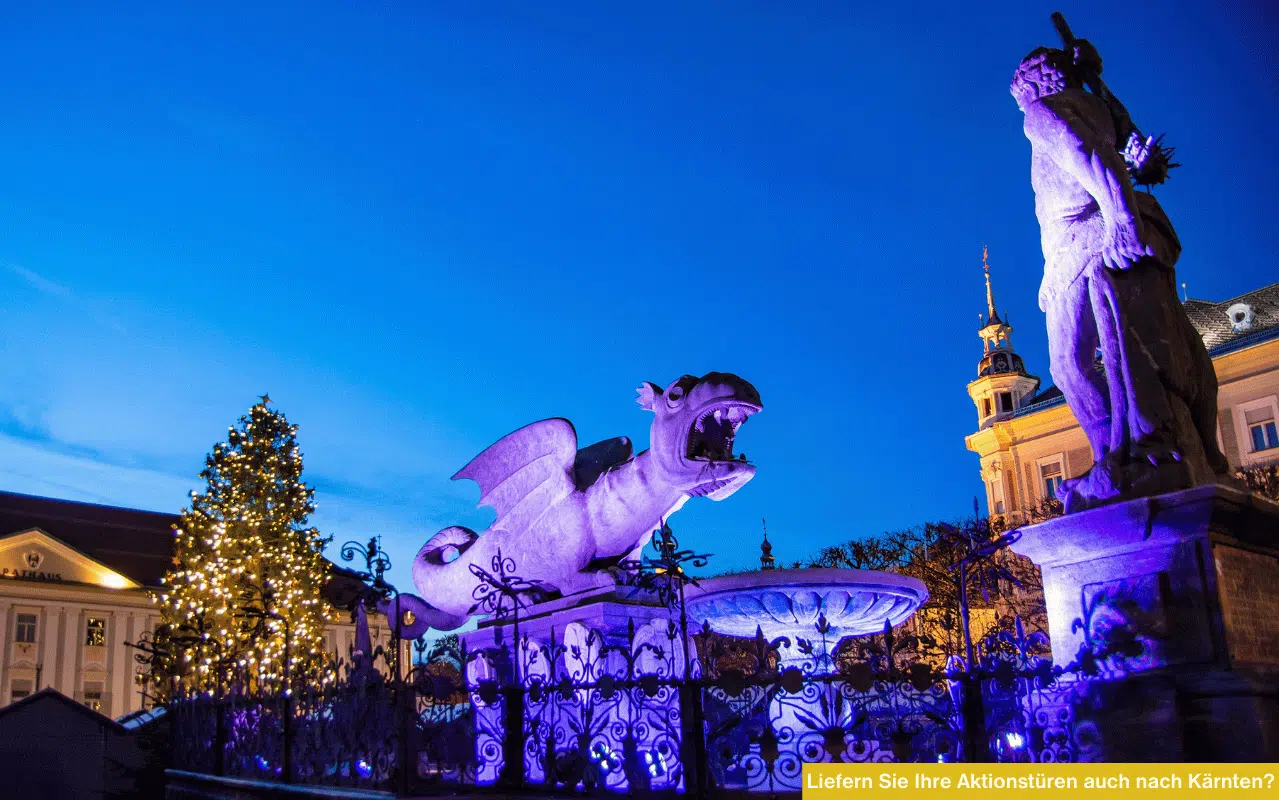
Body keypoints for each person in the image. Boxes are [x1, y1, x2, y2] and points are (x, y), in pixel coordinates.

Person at [1011, 46, 1230, 512]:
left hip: (1085, 237)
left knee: (1070, 363)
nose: (1019, 101)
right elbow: (1138, 156)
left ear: (1030, 85)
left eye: (1020, 91)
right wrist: (1098, 78)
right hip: (1121, 224)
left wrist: (1122, 223)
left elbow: (1094, 159)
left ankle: (1115, 457)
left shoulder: (1041, 112)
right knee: (1162, 338)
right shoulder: (1098, 106)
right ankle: (1191, 448)